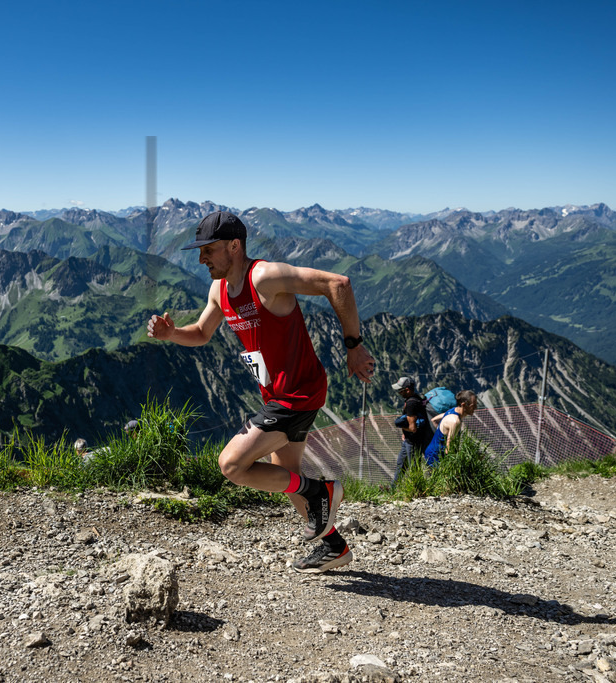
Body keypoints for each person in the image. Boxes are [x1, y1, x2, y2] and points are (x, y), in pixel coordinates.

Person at [147, 210, 375, 573]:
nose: (201, 258)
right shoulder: (219, 290)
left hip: (299, 393)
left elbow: (339, 283)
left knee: (232, 464)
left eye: (209, 250)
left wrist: (354, 346)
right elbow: (203, 333)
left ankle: (323, 492)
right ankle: (333, 545)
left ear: (235, 246)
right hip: (278, 396)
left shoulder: (264, 277)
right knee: (286, 477)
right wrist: (171, 334)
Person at [390, 376, 434, 486]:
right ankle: (393, 488)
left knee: (414, 467)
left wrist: (400, 427)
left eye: (401, 390)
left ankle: (418, 489)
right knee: (401, 464)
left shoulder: (411, 404)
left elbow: (413, 428)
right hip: (408, 441)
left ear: (407, 390)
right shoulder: (416, 399)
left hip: (413, 442)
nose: (399, 393)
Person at [424, 390, 478, 465]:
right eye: (473, 406)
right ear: (464, 405)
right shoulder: (455, 421)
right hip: (436, 457)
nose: (475, 408)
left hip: (432, 453)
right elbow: (449, 450)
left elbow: (434, 420)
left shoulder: (452, 411)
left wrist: (441, 434)